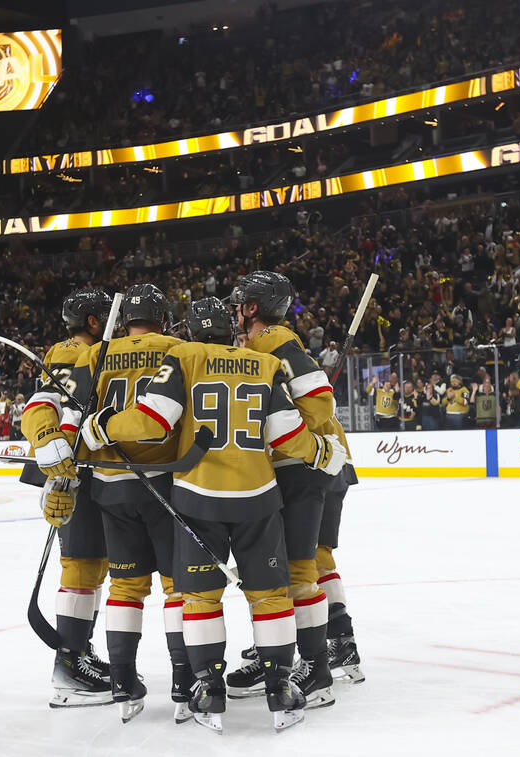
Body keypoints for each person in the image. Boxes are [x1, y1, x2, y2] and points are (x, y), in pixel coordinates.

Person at [78, 295, 347, 733]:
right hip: (259, 496)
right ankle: (280, 689)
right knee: (270, 596)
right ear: (231, 328)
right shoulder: (260, 364)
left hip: (197, 500)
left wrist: (102, 427)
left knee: (201, 599)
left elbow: (151, 421)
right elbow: (287, 432)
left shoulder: (183, 356)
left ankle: (208, 689)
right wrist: (321, 452)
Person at [56, 283, 191, 723]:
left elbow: (69, 416)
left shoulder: (97, 353)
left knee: (125, 588)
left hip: (109, 487)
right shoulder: (178, 349)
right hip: (163, 484)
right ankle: (183, 682)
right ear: (163, 317)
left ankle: (122, 683)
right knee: (177, 588)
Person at [228, 271, 350, 708]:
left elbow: (319, 399)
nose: (234, 309)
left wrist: (301, 444)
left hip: (298, 471)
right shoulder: (259, 344)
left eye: (239, 302)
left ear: (253, 307)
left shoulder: (275, 339)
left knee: (299, 570)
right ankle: (275, 655)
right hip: (282, 472)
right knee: (273, 573)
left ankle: (316, 668)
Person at [19, 289, 114, 707]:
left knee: (93, 565)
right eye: (107, 316)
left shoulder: (67, 349)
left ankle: (79, 650)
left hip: (75, 464)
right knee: (81, 564)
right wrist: (56, 478)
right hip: (74, 467)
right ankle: (69, 664)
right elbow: (58, 409)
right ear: (93, 321)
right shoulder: (78, 352)